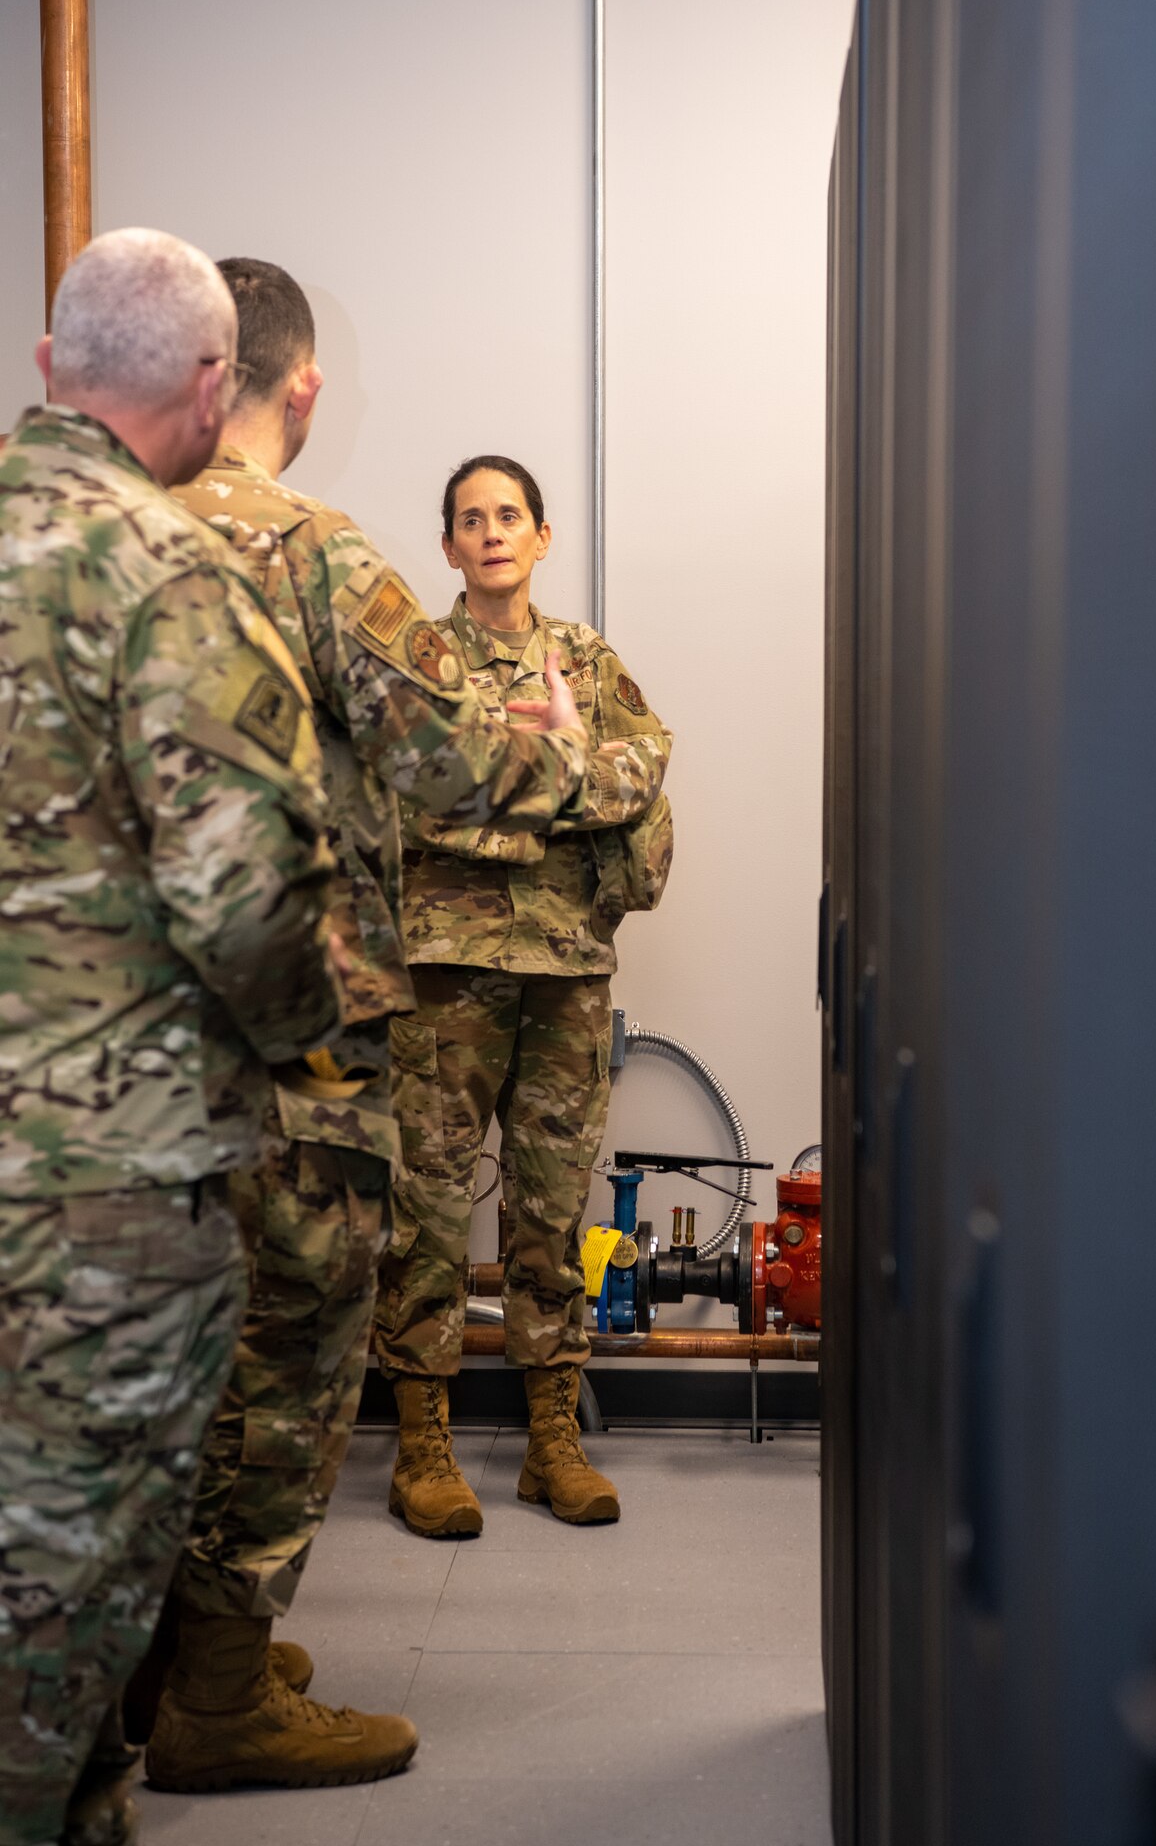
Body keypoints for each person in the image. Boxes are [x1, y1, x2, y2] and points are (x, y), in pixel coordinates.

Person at [131, 260, 591, 1797]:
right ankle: (216, 1693)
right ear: (298, 386)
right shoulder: (317, 551)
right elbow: (451, 762)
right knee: (285, 1351)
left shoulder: (99, 528)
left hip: (113, 1040)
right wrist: (540, 744)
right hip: (295, 1039)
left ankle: (172, 1650)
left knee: (152, 1348)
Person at [0, 229, 345, 1846]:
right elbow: (247, 908)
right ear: (214, 389)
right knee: (64, 1614)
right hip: (99, 1204)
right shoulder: (163, 572)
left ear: (55, 366)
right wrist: (301, 1037)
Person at [374, 455, 673, 1534]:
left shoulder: (584, 659)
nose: (491, 531)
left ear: (542, 536)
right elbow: (406, 802)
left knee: (551, 1209)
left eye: (509, 515)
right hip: (444, 976)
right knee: (428, 1212)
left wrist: (545, 779)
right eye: (470, 518)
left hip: (565, 975)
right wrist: (556, 792)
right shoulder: (420, 664)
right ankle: (422, 1448)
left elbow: (645, 772)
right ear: (448, 545)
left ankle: (553, 1440)